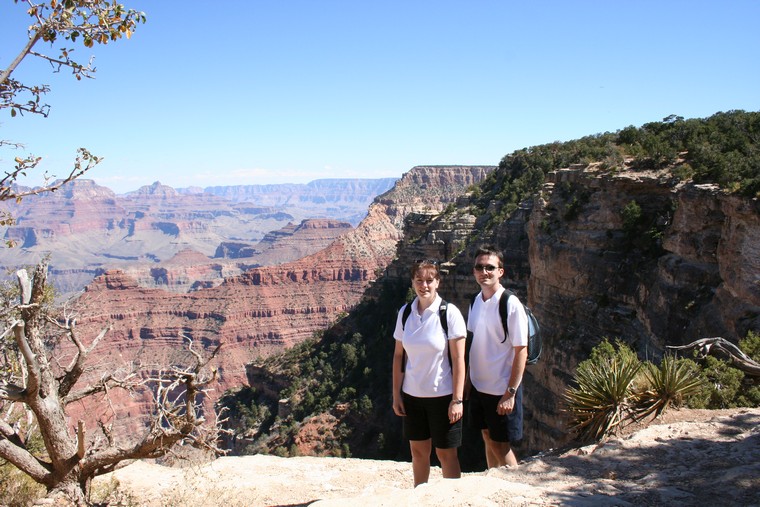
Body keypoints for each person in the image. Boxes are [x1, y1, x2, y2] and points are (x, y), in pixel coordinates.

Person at [392, 259, 467, 486]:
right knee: (418, 453)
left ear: (438, 282)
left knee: (446, 455)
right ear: (413, 283)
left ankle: (453, 500)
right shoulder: (405, 313)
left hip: (443, 397)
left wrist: (457, 399)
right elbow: (398, 356)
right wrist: (396, 395)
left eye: (429, 280)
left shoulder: (449, 313)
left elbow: (459, 359)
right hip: (413, 396)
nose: (424, 285)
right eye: (419, 280)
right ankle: (420, 497)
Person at [466, 245, 528, 469]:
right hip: (480, 386)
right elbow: (475, 344)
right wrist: (467, 384)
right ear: (474, 271)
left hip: (502, 388)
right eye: (479, 267)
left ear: (500, 271)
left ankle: (516, 487)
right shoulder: (475, 302)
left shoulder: (510, 304)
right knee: (486, 436)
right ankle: (493, 479)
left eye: (490, 267)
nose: (484, 272)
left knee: (502, 445)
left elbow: (522, 350)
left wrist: (510, 392)